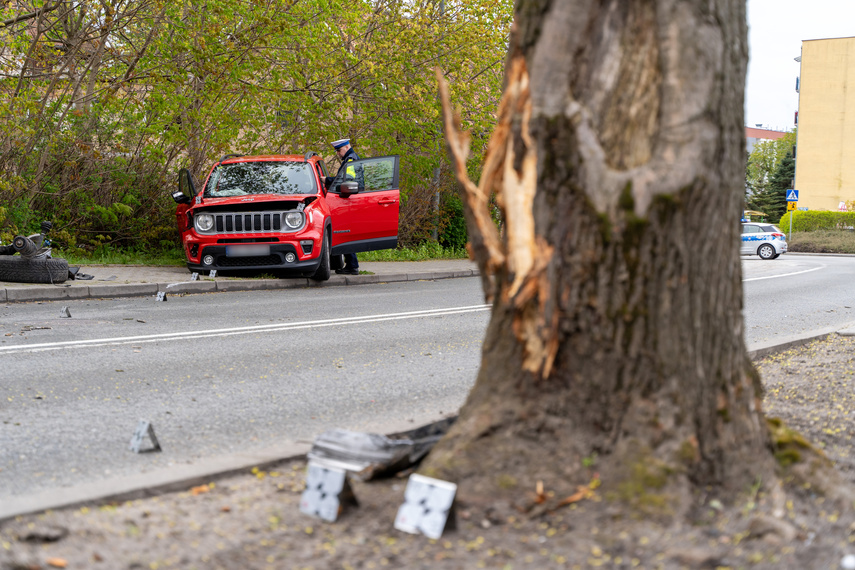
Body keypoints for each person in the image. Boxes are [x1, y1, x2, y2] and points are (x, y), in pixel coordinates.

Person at [327, 138, 361, 275]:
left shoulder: (351, 160)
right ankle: (351, 264)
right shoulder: (351, 159)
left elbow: (346, 180)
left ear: (347, 147)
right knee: (345, 232)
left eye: (340, 151)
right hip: (349, 199)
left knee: (345, 232)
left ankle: (352, 265)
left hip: (348, 200)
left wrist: (328, 180)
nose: (339, 154)